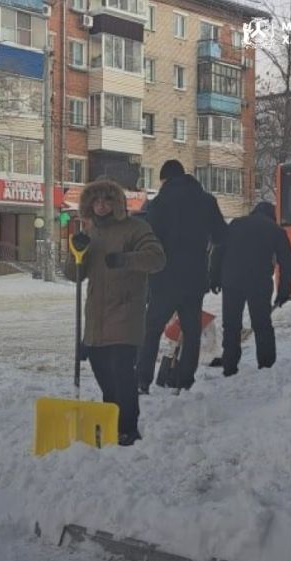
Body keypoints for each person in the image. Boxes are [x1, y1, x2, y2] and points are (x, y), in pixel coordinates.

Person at [64, 178, 166, 445]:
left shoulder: (135, 228)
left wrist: (125, 260)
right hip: (96, 317)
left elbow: (157, 258)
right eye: (96, 200)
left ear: (117, 203)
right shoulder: (91, 233)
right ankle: (111, 421)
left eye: (107, 200)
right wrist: (76, 252)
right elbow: (73, 275)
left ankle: (128, 428)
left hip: (125, 312)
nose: (101, 206)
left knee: (122, 373)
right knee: (102, 373)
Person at [137, 160, 228, 393]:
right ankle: (184, 380)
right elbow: (221, 236)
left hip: (163, 278)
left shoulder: (157, 203)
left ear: (165, 179)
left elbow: (149, 238)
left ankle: (142, 380)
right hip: (194, 279)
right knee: (191, 331)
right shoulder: (207, 201)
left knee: (152, 330)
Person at [210, 201, 291, 376]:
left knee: (231, 325)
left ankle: (229, 366)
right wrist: (284, 289)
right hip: (259, 282)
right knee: (262, 324)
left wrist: (214, 278)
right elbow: (287, 261)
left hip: (232, 280)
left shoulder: (235, 224)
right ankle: (266, 366)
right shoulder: (275, 230)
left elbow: (218, 251)